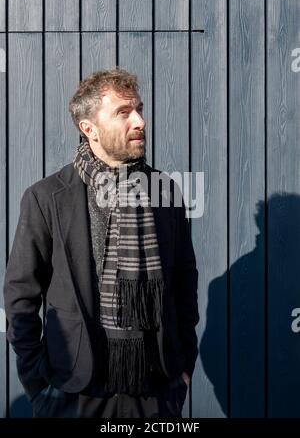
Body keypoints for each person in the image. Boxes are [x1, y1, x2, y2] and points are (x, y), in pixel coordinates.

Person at [3, 67, 199, 418]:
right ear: (88, 128)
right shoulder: (47, 198)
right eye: (123, 112)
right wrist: (39, 386)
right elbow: (21, 297)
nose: (139, 121)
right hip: (75, 391)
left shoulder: (165, 191)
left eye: (138, 109)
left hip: (155, 390)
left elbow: (184, 283)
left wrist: (183, 371)